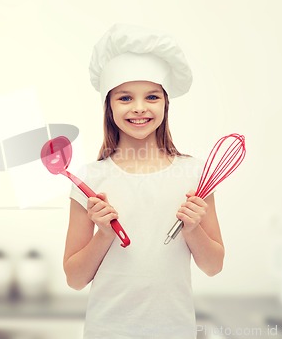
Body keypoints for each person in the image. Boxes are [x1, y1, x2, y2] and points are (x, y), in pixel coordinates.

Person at [63, 24, 224, 338]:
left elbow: (213, 265)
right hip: (107, 331)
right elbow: (75, 278)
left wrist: (192, 229)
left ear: (165, 103)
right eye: (125, 98)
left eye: (151, 96)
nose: (139, 107)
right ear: (109, 106)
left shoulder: (195, 175)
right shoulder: (89, 179)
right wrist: (104, 234)